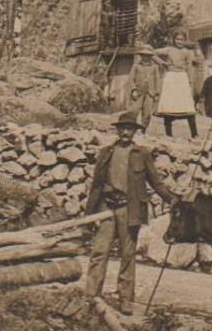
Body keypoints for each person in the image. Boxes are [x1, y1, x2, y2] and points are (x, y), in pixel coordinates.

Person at [83, 110, 178, 315]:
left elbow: (157, 183)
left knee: (127, 255)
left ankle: (126, 299)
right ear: (117, 130)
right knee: (99, 251)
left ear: (134, 132)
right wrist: (88, 216)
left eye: (129, 129)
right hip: (106, 208)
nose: (125, 132)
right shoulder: (106, 152)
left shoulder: (142, 154)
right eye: (122, 128)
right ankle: (91, 295)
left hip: (129, 209)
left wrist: (174, 200)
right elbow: (96, 186)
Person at [152, 37, 201, 139]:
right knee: (169, 105)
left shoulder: (187, 52)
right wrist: (163, 63)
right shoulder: (169, 49)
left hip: (182, 77)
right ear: (174, 40)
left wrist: (190, 82)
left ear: (185, 41)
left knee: (187, 106)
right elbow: (152, 53)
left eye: (182, 40)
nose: (179, 42)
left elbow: (189, 67)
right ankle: (169, 134)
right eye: (177, 39)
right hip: (171, 77)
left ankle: (194, 134)